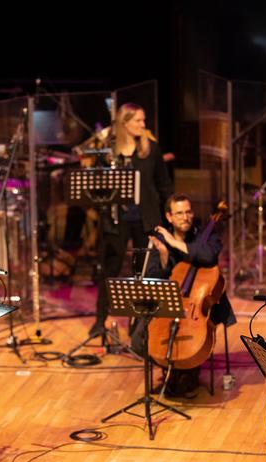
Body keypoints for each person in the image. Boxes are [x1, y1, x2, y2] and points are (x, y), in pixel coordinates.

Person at [136, 193, 235, 397]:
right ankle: (170, 369)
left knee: (191, 340)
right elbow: (152, 278)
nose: (185, 217)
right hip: (168, 304)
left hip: (200, 306)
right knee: (138, 341)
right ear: (169, 217)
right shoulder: (161, 240)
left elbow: (207, 256)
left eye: (188, 212)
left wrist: (175, 244)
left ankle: (187, 371)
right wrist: (164, 256)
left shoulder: (207, 234)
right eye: (179, 213)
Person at [89, 103, 173, 337]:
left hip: (145, 219)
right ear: (124, 123)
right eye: (138, 121)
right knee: (110, 269)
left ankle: (139, 326)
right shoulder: (108, 152)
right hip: (117, 220)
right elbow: (96, 188)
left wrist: (171, 216)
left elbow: (164, 185)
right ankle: (100, 320)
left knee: (143, 273)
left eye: (143, 120)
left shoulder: (151, 150)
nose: (143, 125)